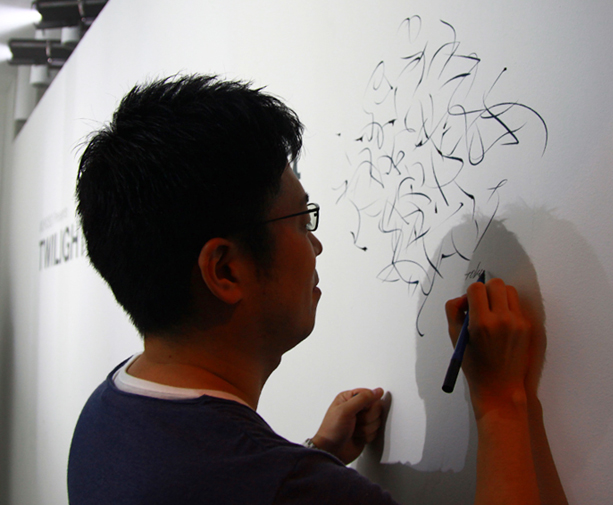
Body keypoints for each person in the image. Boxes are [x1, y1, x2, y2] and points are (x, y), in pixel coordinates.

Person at [67, 75, 567, 504]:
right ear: (225, 271)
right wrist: (501, 403)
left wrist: (315, 457)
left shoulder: (105, 416)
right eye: (302, 221)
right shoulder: (298, 490)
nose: (317, 245)